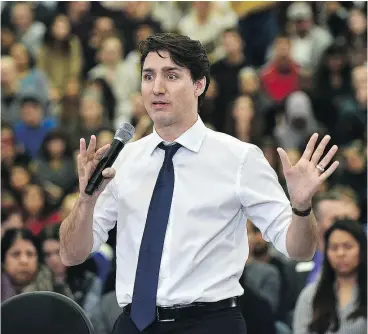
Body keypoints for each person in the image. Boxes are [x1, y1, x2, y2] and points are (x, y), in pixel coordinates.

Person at [60, 33, 340, 334]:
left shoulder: (240, 158)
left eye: (171, 75)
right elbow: (71, 254)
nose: (157, 88)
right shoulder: (123, 160)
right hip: (133, 323)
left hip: (210, 323)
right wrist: (86, 200)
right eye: (148, 76)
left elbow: (299, 250)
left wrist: (300, 206)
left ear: (199, 84)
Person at [293, 219, 367, 333]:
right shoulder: (311, 294)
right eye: (334, 248)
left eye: (347, 247)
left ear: (362, 250)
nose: (340, 253)